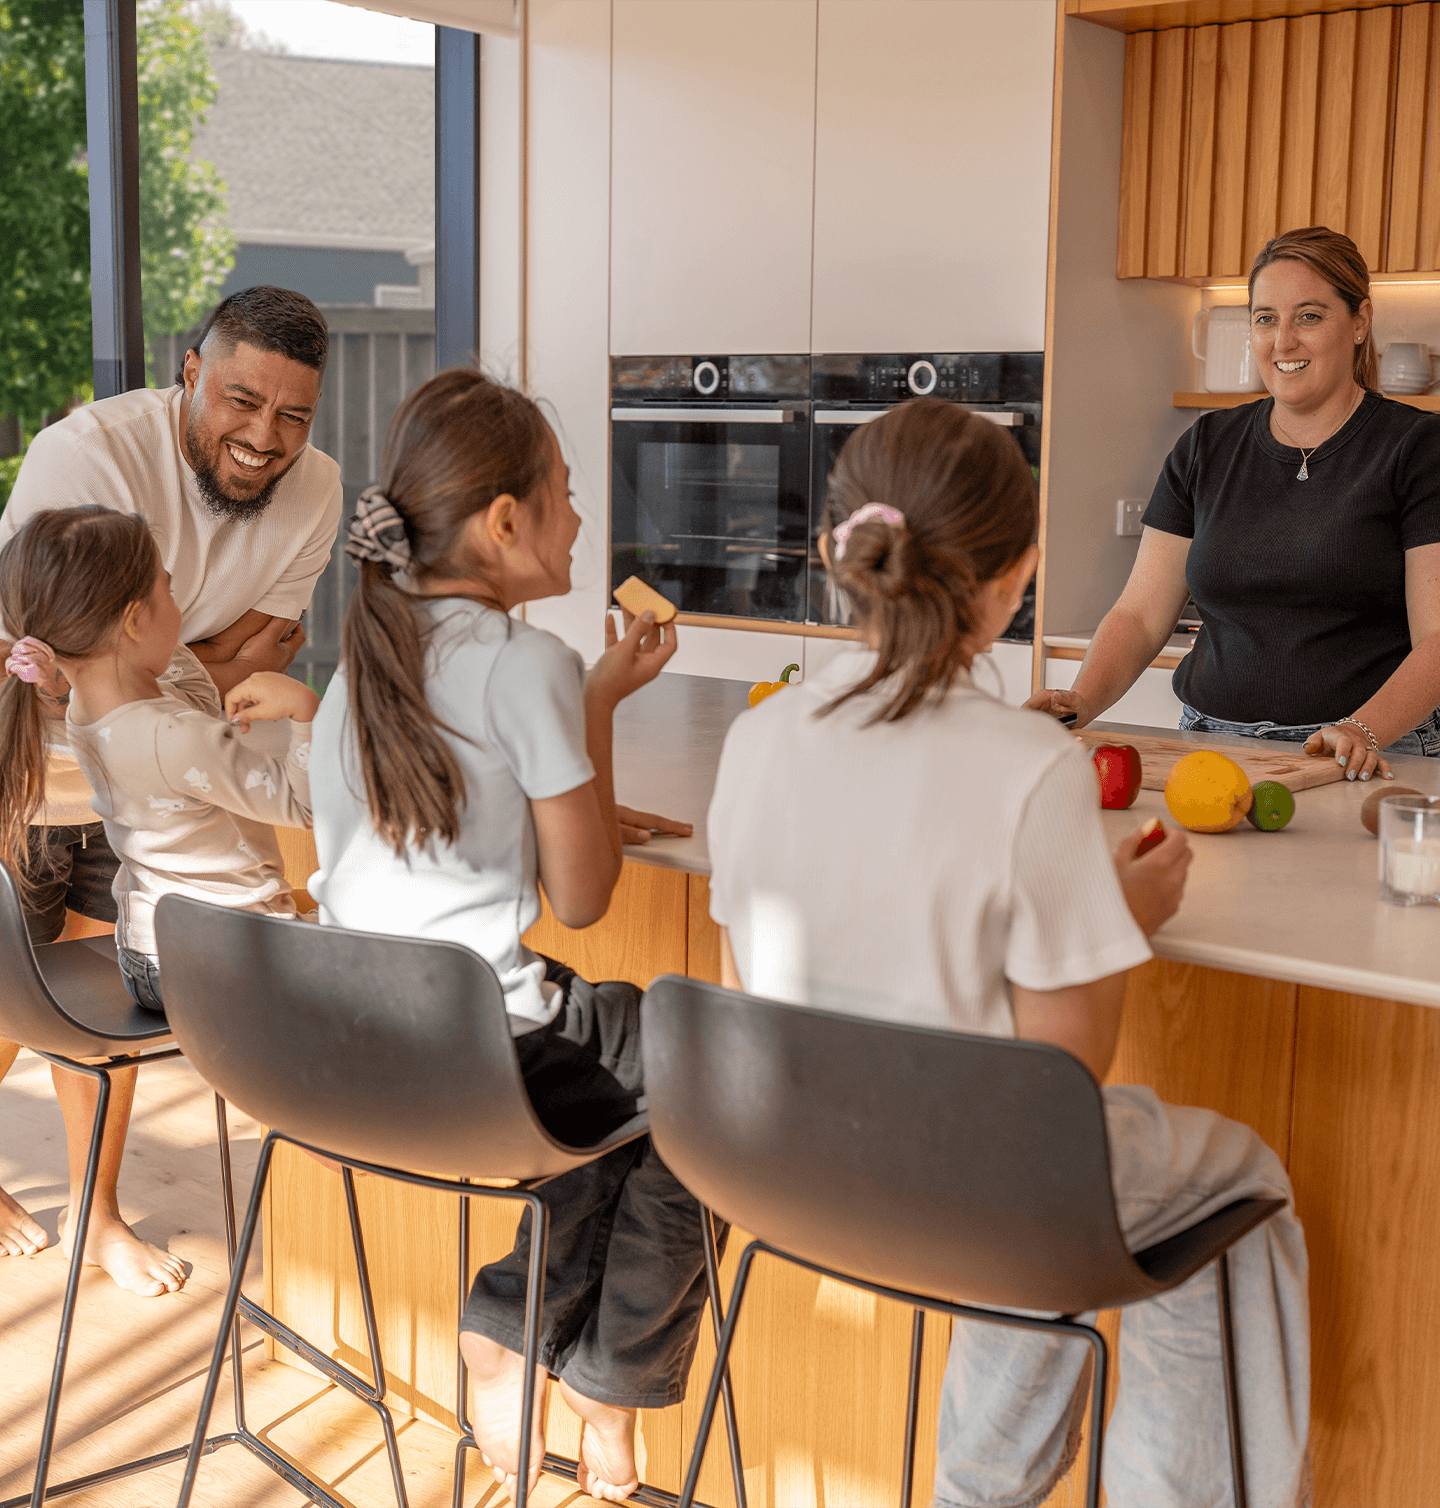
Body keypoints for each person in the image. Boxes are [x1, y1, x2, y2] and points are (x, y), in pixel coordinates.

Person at [705, 400, 1311, 1508]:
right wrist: (1114, 917)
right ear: (1016, 573)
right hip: (970, 1182)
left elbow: (793, 968)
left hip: (787, 1163)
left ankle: (980, 1490)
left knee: (1012, 1161)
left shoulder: (758, 737)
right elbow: (1057, 1090)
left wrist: (1077, 905)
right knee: (1231, 1187)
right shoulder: (1030, 765)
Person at [309, 368, 703, 1506]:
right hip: (488, 1057)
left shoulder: (360, 670)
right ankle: (607, 1380)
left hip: (357, 1051)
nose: (582, 518)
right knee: (710, 1077)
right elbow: (583, 895)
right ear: (507, 521)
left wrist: (597, 706)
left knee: (621, 1079)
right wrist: (583, 721)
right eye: (568, 494)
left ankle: (512, 1323)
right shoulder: (527, 662)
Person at [0, 285, 340, 1288]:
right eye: (241, 400)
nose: (263, 436)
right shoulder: (85, 454)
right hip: (39, 765)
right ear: (190, 371)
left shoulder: (312, 488)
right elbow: (48, 633)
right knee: (16, 992)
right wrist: (204, 667)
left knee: (94, 975)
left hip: (137, 766)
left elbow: (257, 650)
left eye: (292, 415)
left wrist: (149, 666)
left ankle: (98, 1214)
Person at [1029, 225, 1440, 787]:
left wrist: (1362, 730)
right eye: (1266, 318)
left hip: (1366, 756)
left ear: (1360, 323)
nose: (1283, 341)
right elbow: (1140, 615)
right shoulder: (1205, 445)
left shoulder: (1418, 448)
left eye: (1310, 316)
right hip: (1209, 747)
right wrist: (1079, 701)